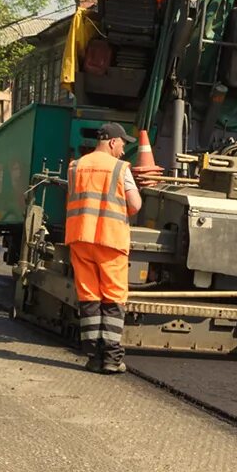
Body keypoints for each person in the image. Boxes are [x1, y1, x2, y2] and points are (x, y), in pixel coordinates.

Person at [65, 121, 144, 374]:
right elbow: (135, 205)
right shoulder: (120, 168)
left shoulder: (76, 166)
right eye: (122, 144)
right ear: (112, 142)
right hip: (110, 240)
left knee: (89, 296)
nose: (123, 150)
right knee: (113, 297)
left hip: (80, 237)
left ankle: (93, 356)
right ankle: (111, 358)